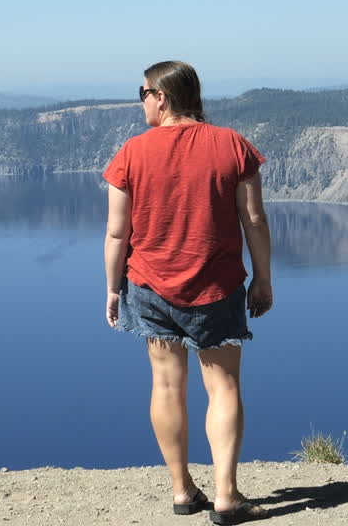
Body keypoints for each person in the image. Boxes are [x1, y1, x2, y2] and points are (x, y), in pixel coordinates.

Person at [103, 60, 273, 525]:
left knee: (166, 385)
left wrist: (113, 290)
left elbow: (118, 234)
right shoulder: (231, 145)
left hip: (149, 286)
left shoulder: (132, 154)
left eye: (142, 94)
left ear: (162, 96)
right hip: (215, 288)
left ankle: (182, 492)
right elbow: (254, 220)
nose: (140, 102)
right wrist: (263, 278)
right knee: (223, 386)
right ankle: (226, 497)